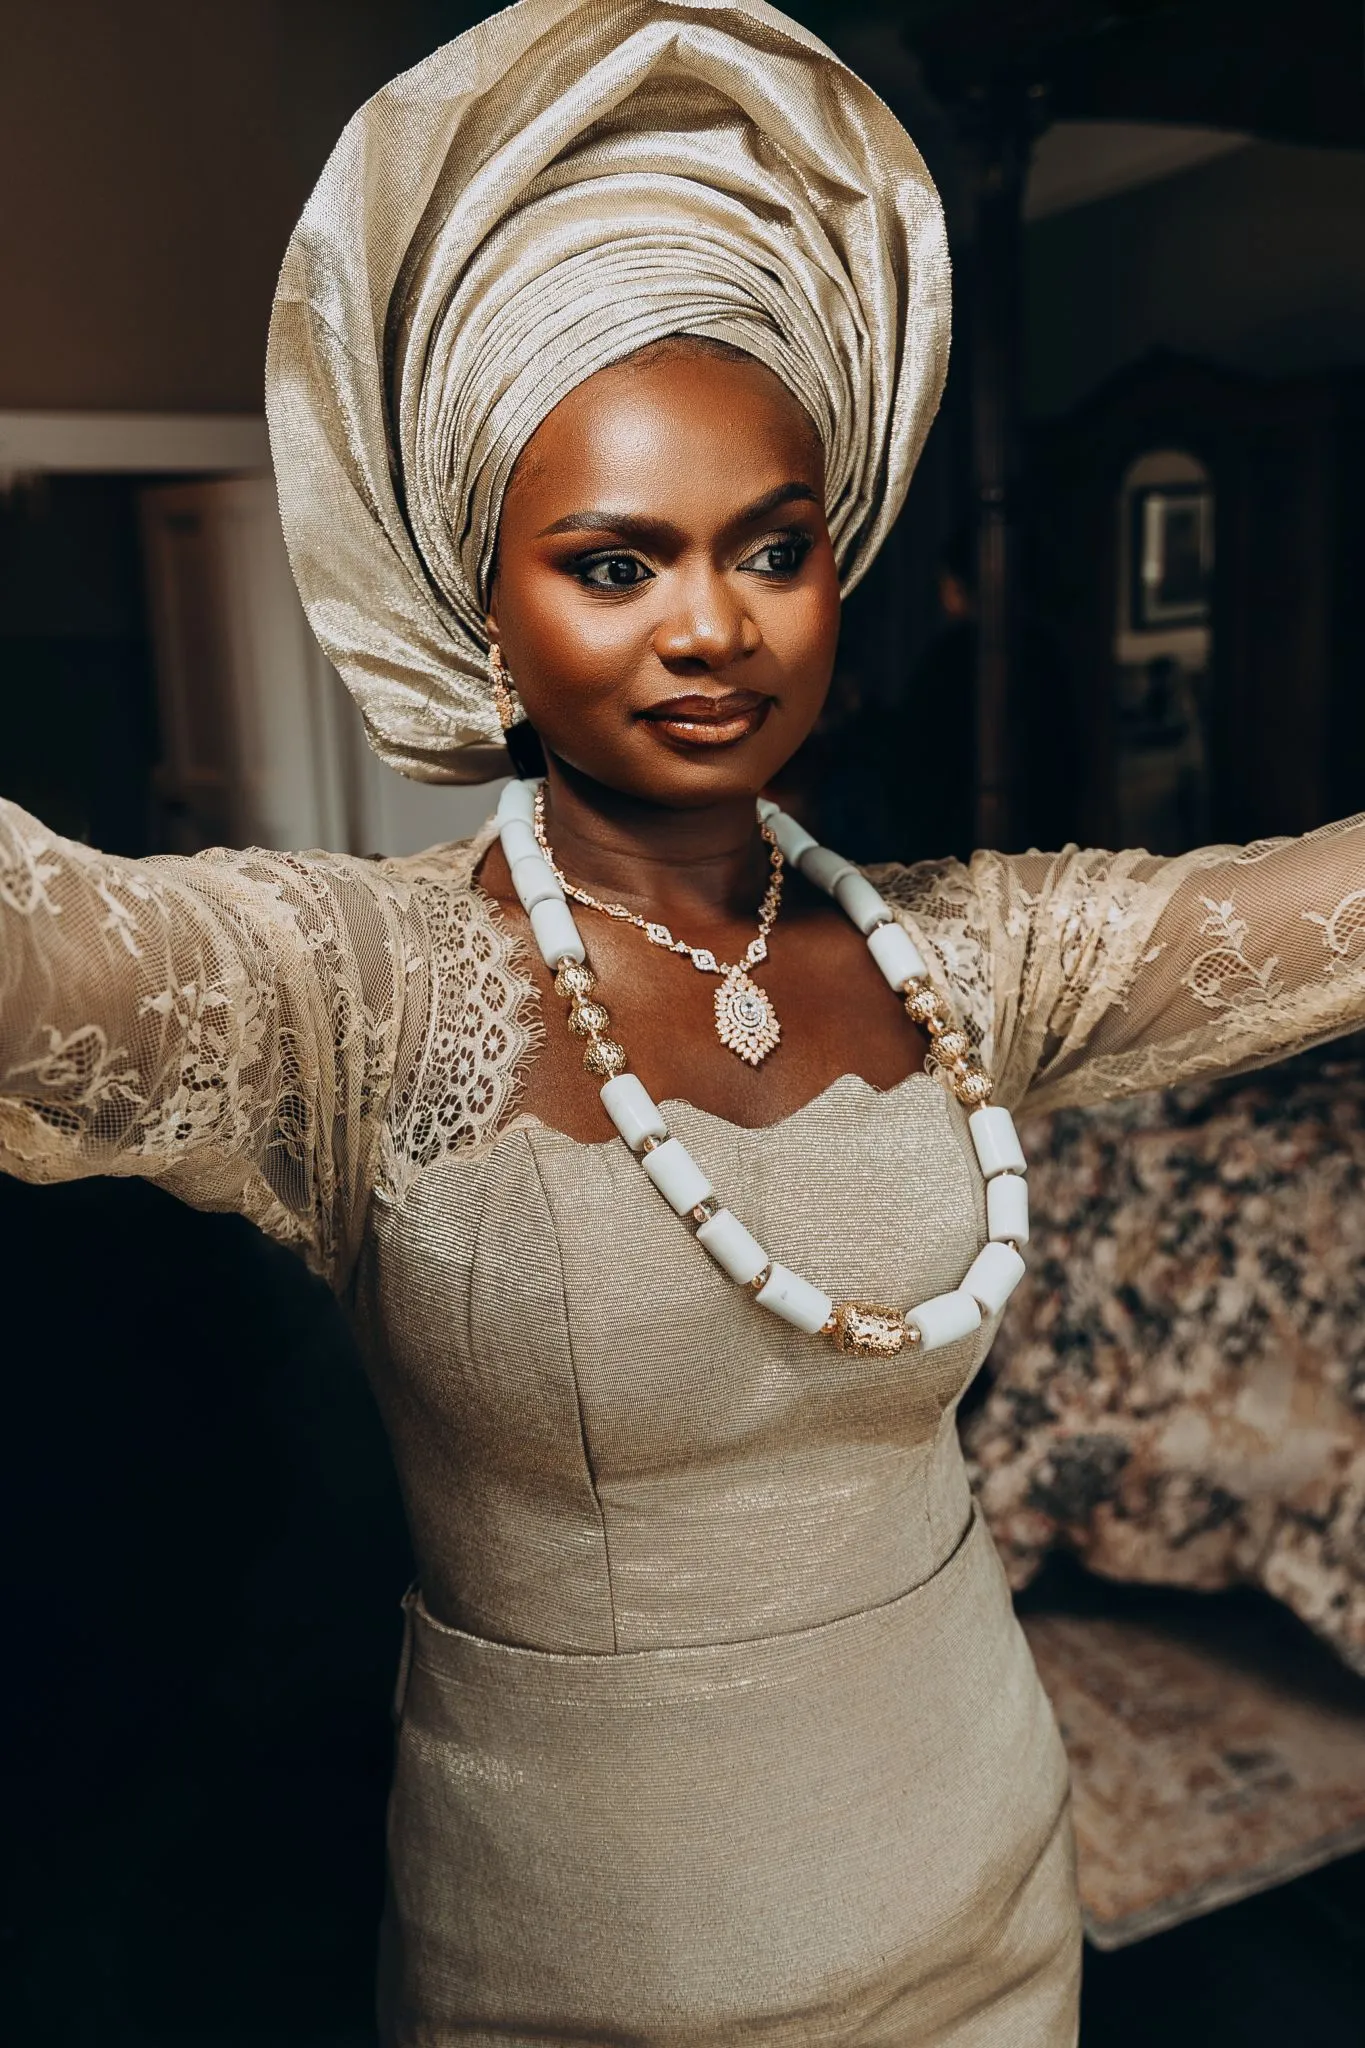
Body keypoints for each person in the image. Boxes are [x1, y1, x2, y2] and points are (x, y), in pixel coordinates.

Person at [2, 3, 1363, 2041]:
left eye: (771, 547)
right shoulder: (336, 996)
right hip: (581, 1962)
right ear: (486, 604)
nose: (712, 625)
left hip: (985, 1895)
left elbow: (1312, 907)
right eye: (614, 560)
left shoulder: (970, 958)